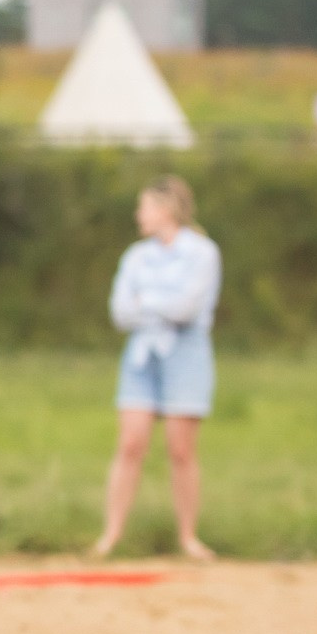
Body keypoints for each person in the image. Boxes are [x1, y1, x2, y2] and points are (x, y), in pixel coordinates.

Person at [93, 176, 219, 562]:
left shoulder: (201, 252)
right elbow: (119, 312)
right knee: (130, 445)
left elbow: (188, 309)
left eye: (144, 207)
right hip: (141, 356)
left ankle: (188, 537)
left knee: (181, 450)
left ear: (165, 210)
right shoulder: (135, 256)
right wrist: (161, 303)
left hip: (186, 355)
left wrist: (145, 301)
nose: (138, 214)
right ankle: (111, 535)